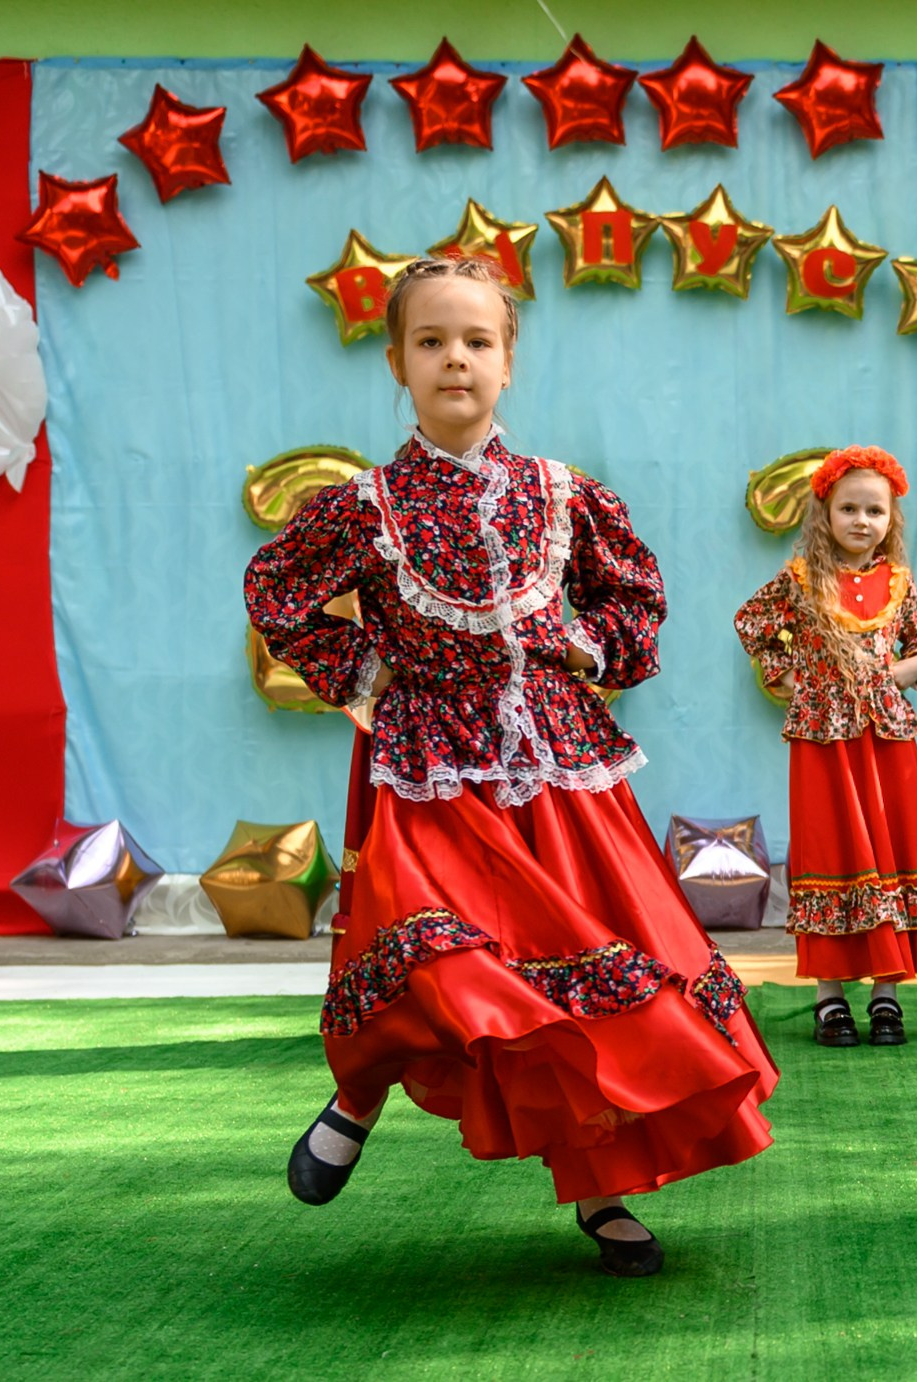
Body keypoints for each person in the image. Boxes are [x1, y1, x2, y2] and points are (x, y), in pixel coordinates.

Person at [246, 255, 777, 1279]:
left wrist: (588, 648)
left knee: (590, 971)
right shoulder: (363, 505)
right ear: (397, 363)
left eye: (477, 341)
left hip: (560, 771)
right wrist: (372, 674)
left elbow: (633, 603)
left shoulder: (562, 492)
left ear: (509, 361)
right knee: (432, 953)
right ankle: (359, 1092)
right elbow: (277, 592)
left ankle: (603, 1186)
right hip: (432, 772)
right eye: (431, 341)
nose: (456, 359)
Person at [734, 445, 917, 1047]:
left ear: (891, 520)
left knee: (889, 848)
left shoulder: (899, 583)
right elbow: (752, 623)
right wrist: (789, 678)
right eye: (849, 509)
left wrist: (896, 674)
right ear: (825, 514)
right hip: (823, 738)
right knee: (831, 849)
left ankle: (887, 995)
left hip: (884, 736)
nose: (862, 520)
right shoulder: (801, 580)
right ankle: (829, 996)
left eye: (875, 511)